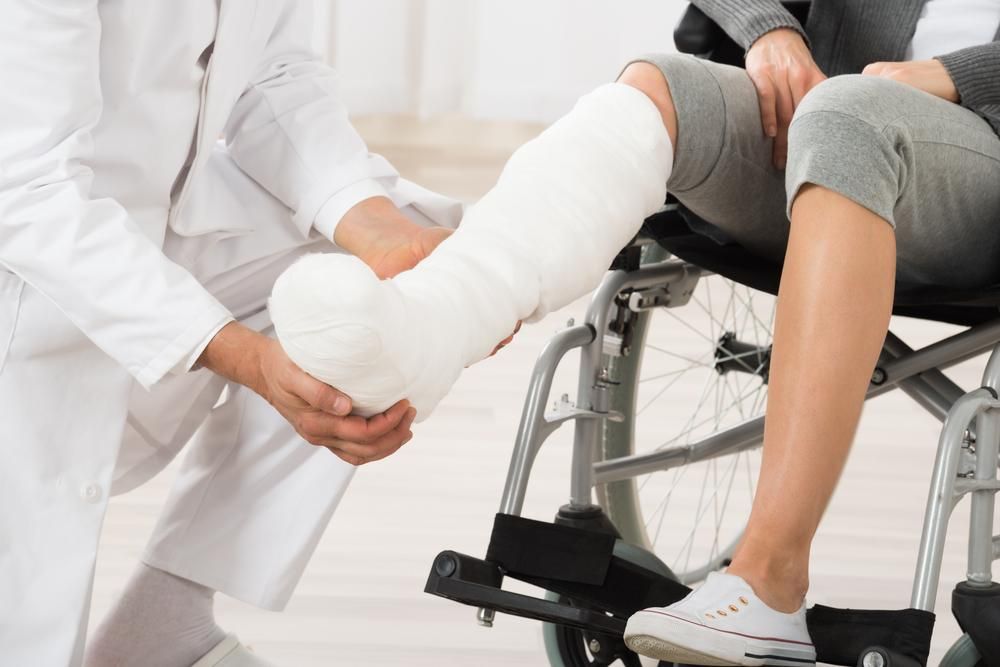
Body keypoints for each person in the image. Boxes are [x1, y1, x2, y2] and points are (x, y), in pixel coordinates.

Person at [0, 2, 459, 666]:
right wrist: (246, 357)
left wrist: (379, 232)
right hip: (27, 265)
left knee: (363, 284)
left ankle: (163, 629)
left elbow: (271, 70)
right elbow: (28, 191)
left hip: (139, 226)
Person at [619, 0, 1000, 664]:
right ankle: (429, 315)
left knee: (849, 115)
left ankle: (768, 580)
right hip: (822, 117)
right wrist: (770, 31)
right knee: (651, 90)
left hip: (969, 155)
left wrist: (958, 72)